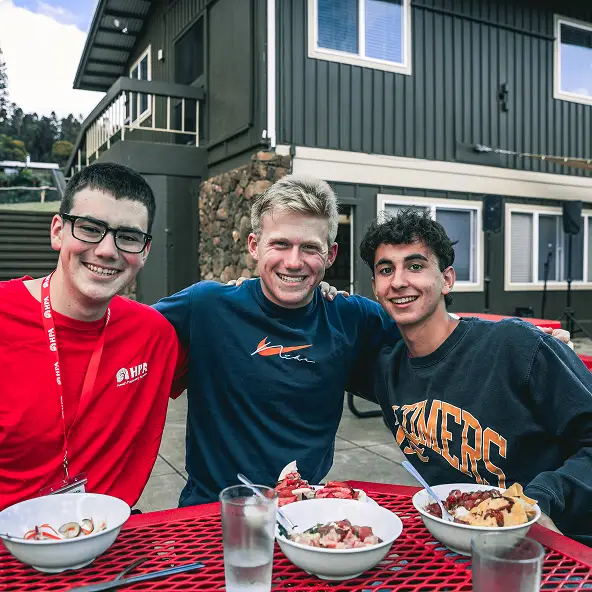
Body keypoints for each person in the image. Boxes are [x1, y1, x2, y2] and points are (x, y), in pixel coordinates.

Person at [154, 175, 401, 506]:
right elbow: (122, 330)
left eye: (310, 247)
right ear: (254, 246)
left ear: (330, 255)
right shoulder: (206, 305)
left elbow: (432, 341)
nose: (294, 261)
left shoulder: (351, 315)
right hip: (212, 516)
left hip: (305, 513)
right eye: (280, 244)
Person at [359, 208, 592, 545]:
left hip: (558, 541)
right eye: (386, 270)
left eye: (415, 266)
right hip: (453, 543)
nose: (398, 281)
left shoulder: (517, 347)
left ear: (447, 279)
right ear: (376, 288)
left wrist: (541, 500)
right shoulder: (385, 370)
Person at [0, 163, 186, 512]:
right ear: (58, 231)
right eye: (89, 228)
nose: (106, 250)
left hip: (110, 543)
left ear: (145, 251)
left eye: (128, 237)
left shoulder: (155, 336)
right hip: (9, 553)